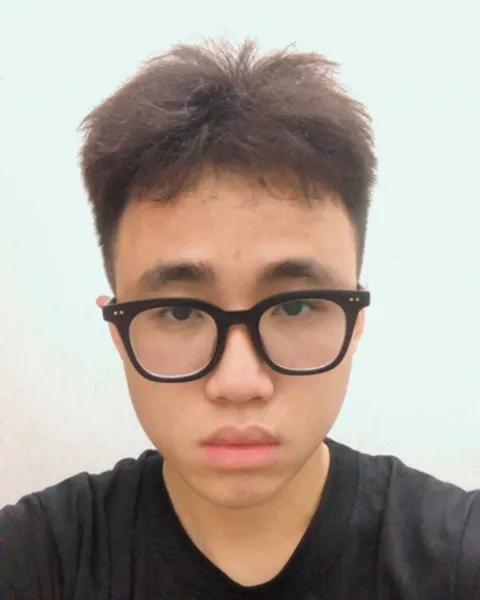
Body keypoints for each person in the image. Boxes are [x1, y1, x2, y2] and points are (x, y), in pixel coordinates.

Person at [1, 38, 479, 600]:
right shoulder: (35, 561)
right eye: (179, 310)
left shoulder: (457, 560)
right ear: (118, 335)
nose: (238, 383)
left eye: (294, 306)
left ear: (356, 324)